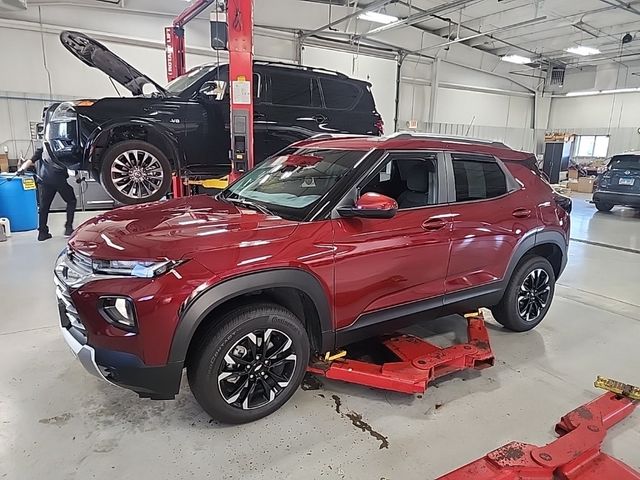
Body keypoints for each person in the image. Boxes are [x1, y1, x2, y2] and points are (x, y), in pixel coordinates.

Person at [16, 145, 76, 241]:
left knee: (44, 207)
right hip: (59, 179)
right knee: (71, 200)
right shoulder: (60, 147)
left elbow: (31, 160)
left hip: (44, 181)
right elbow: (71, 165)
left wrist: (21, 169)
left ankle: (42, 233)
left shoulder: (43, 148)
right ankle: (68, 228)